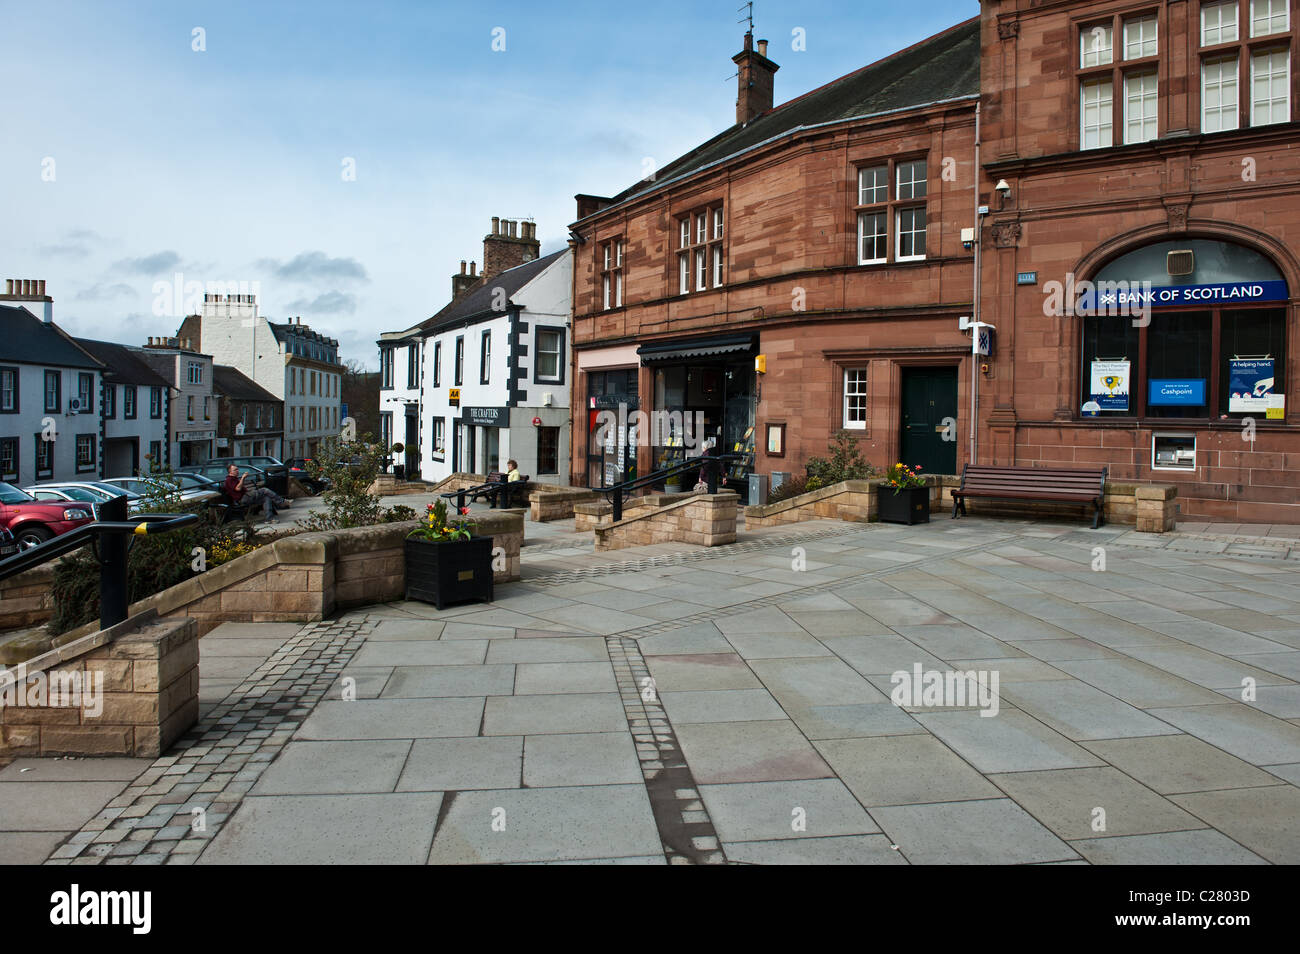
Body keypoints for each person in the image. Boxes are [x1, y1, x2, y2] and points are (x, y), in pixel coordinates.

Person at [223, 463, 290, 522]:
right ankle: (282, 502)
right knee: (264, 490)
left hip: (247, 496)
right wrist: (243, 478)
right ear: (230, 471)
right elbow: (238, 489)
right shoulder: (229, 480)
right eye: (235, 470)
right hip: (243, 499)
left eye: (237, 469)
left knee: (266, 498)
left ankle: (269, 518)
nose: (237, 471)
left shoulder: (234, 478)